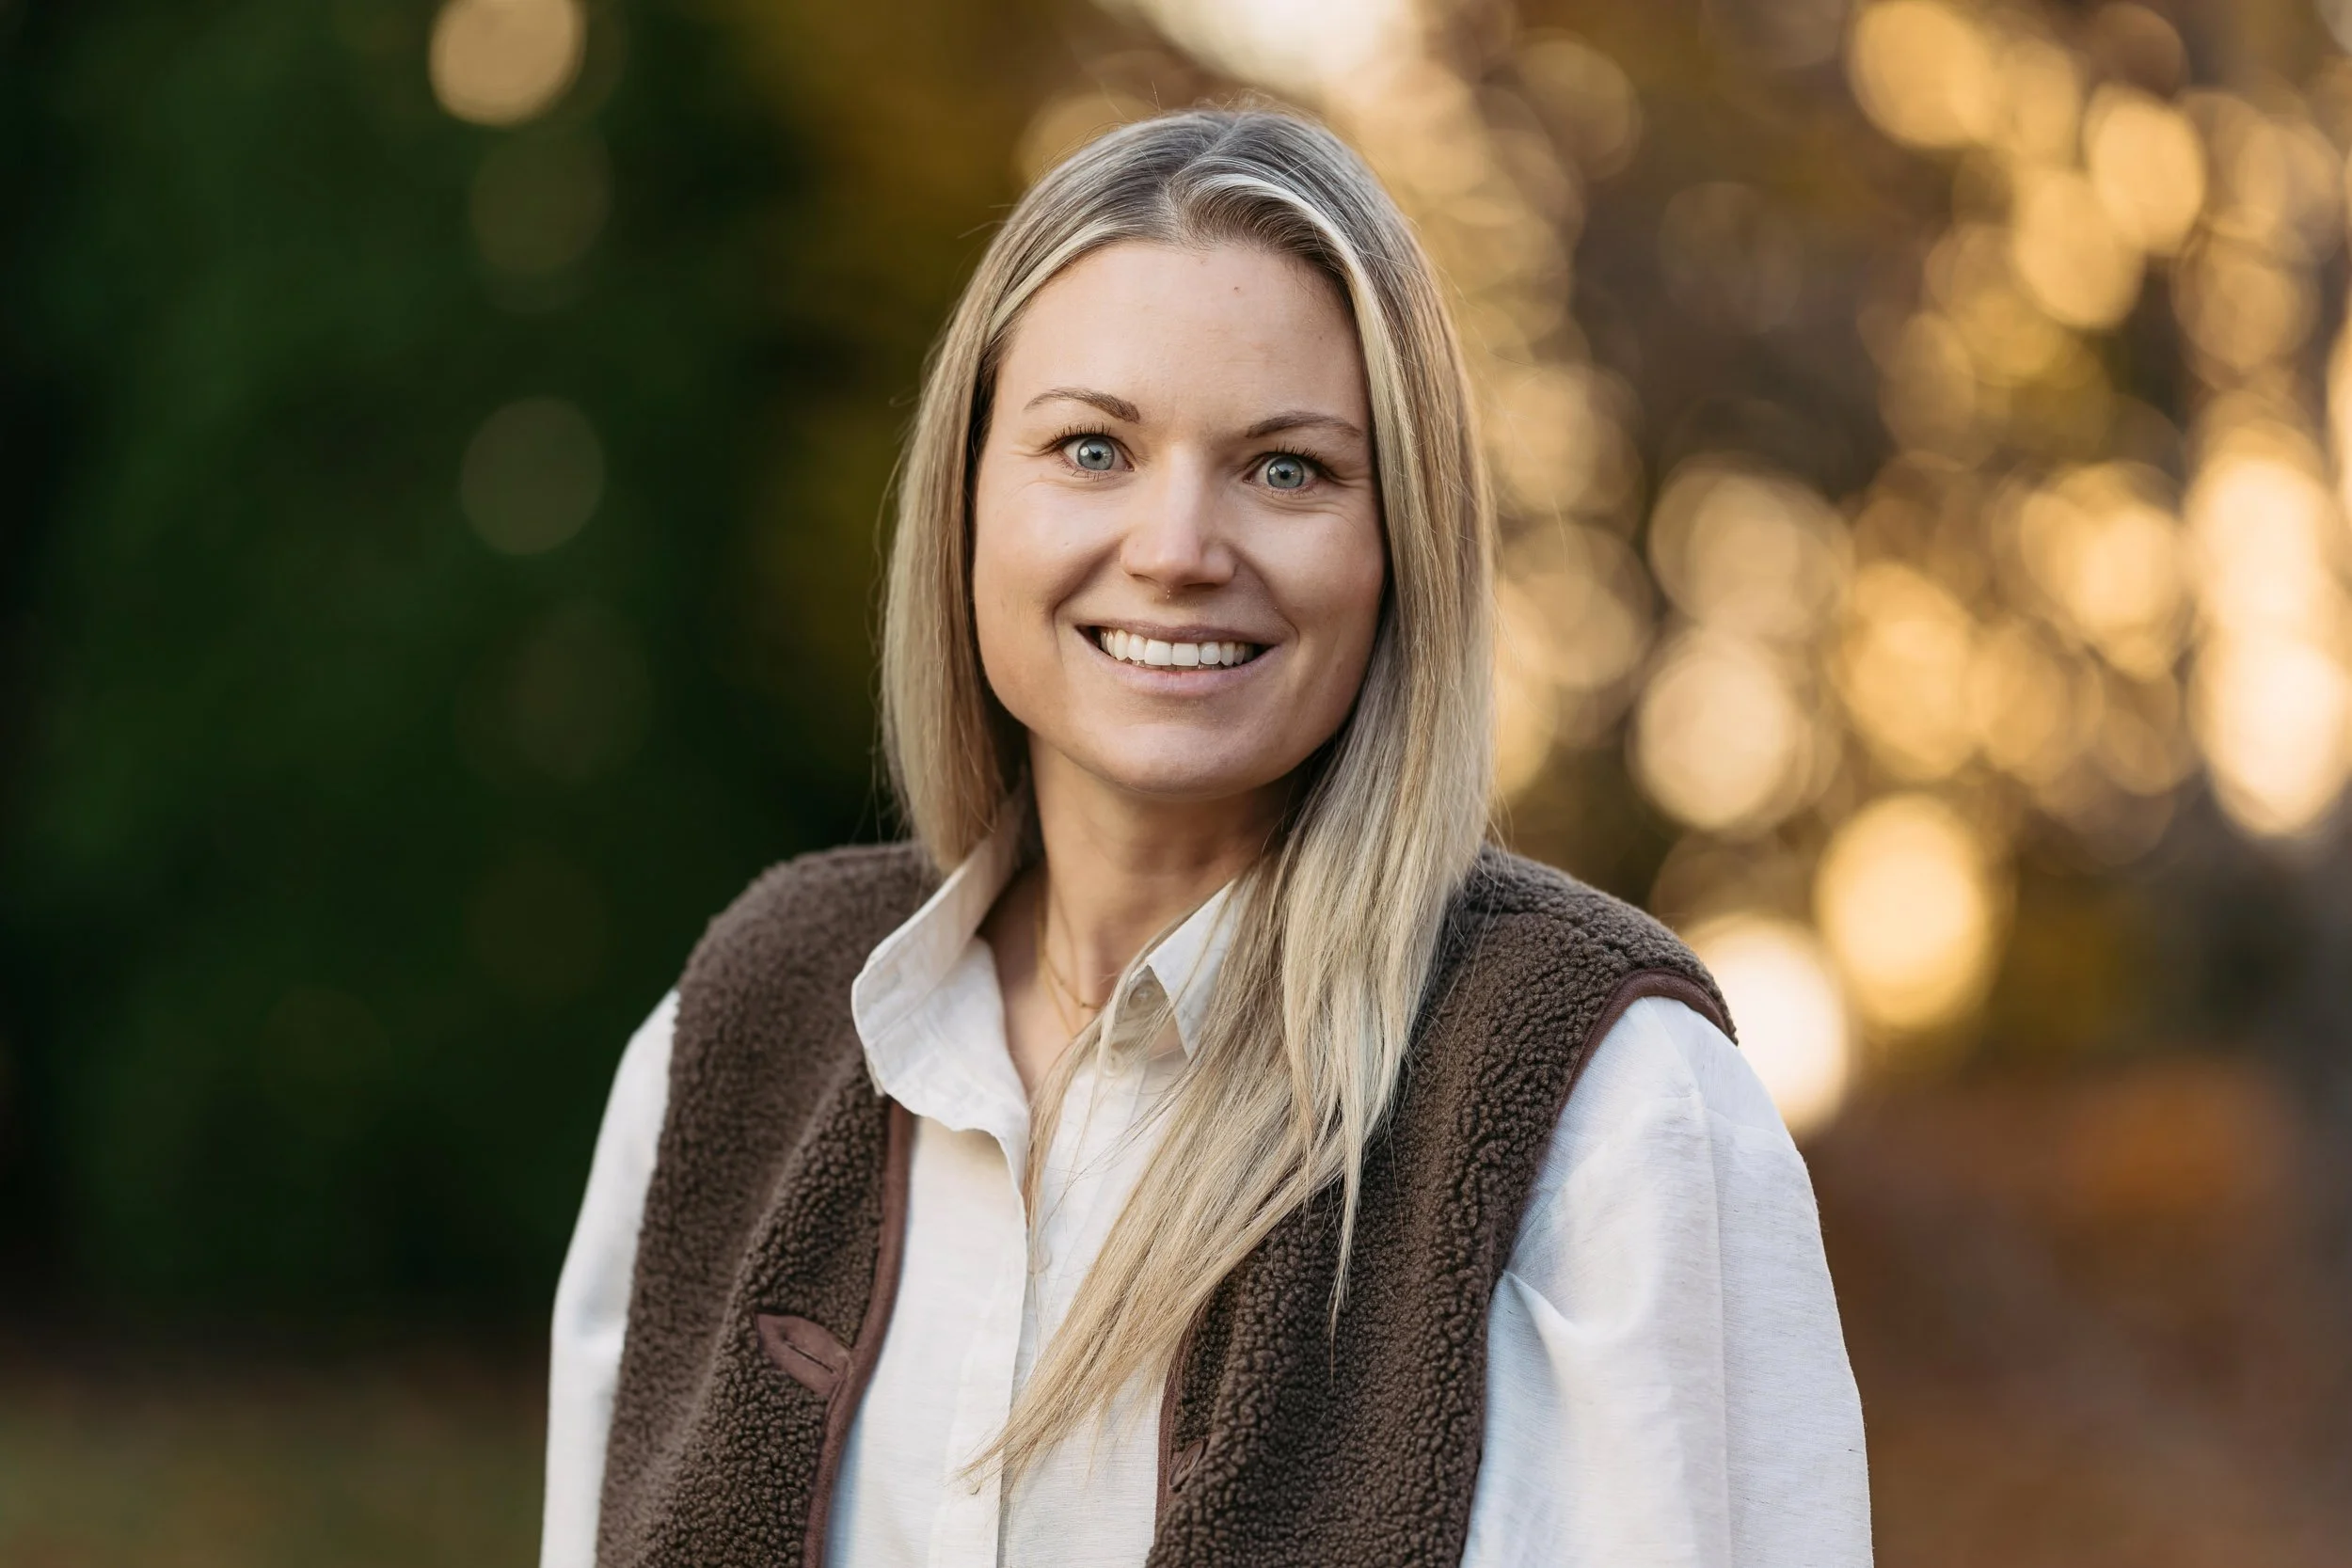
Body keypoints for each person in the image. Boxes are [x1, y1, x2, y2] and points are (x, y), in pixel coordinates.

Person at [539, 107, 1868, 1568]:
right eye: (1093, 447)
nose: (1178, 546)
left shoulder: (1609, 1110)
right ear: (969, 497)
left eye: (1287, 468)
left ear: (1400, 543)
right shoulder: (735, 1036)